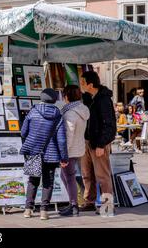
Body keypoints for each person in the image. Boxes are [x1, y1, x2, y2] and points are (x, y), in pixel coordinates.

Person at [20, 88, 68, 220]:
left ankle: (28, 209)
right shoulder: (58, 115)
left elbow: (23, 132)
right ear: (54, 100)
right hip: (51, 154)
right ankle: (44, 211)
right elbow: (62, 139)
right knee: (48, 181)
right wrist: (64, 157)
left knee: (33, 180)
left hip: (34, 151)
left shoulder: (33, 112)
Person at [79, 71, 116, 215]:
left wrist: (101, 144)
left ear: (90, 84)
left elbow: (110, 125)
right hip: (87, 142)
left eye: (83, 82)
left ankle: (108, 206)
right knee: (87, 174)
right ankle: (89, 201)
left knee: (102, 175)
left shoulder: (104, 99)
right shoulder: (88, 98)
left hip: (99, 143)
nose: (81, 85)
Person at [59, 85, 89, 217]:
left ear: (66, 96)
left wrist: (63, 155)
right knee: (65, 176)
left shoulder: (70, 113)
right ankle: (72, 204)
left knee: (69, 177)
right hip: (78, 148)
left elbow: (68, 135)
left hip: (70, 150)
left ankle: (74, 206)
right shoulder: (82, 109)